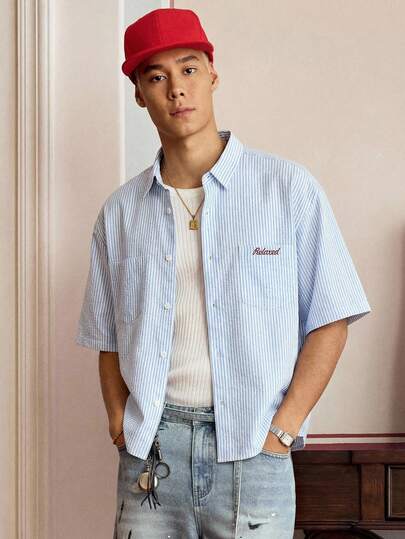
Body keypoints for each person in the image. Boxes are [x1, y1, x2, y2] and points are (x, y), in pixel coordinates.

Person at [75, 7, 372, 538]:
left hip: (255, 450)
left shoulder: (288, 189)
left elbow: (332, 317)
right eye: (156, 77)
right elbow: (108, 337)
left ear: (213, 74)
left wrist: (283, 430)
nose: (176, 90)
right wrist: (120, 423)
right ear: (139, 94)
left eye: (188, 69)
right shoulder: (119, 213)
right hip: (151, 453)